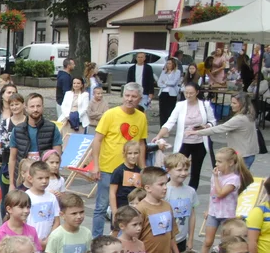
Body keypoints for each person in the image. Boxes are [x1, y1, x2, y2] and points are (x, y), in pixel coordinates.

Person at [90, 84, 148, 237]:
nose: (129, 99)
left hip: (130, 170)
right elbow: (97, 140)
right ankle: (97, 238)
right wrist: (95, 165)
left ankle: (123, 236)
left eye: (133, 96)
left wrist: (143, 168)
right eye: (127, 95)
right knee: (102, 206)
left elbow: (141, 143)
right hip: (108, 167)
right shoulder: (110, 114)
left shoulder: (141, 117)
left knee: (128, 204)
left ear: (139, 99)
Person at [154, 83, 215, 188]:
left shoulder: (205, 105)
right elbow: (170, 122)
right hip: (184, 142)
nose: (188, 95)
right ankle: (172, 190)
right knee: (176, 168)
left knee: (196, 171)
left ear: (197, 92)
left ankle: (192, 194)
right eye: (186, 93)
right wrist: (159, 135)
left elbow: (212, 121)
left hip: (200, 142)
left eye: (191, 93)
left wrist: (206, 126)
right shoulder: (180, 105)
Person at [191, 92, 260, 169]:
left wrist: (196, 133)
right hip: (248, 152)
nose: (231, 105)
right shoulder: (249, 115)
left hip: (242, 155)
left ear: (242, 104)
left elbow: (220, 128)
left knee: (236, 178)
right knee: (240, 178)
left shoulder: (239, 119)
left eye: (234, 103)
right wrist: (205, 128)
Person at [157, 57, 183, 128]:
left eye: (170, 63)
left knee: (170, 111)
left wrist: (165, 82)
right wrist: (166, 84)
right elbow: (159, 83)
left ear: (173, 64)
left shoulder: (177, 72)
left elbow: (174, 83)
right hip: (163, 92)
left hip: (172, 94)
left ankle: (168, 127)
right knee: (162, 111)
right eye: (167, 63)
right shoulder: (163, 72)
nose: (168, 65)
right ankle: (162, 127)